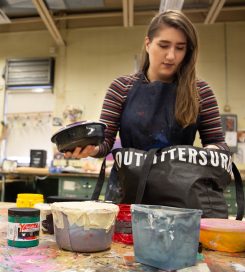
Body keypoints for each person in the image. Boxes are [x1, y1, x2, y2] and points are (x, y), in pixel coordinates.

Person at [65, 10, 229, 201]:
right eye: (163, 45)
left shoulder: (200, 91)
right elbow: (106, 142)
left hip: (179, 196)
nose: (170, 56)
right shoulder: (121, 88)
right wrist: (91, 149)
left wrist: (210, 152)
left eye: (180, 48)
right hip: (128, 192)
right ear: (148, 43)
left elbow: (218, 143)